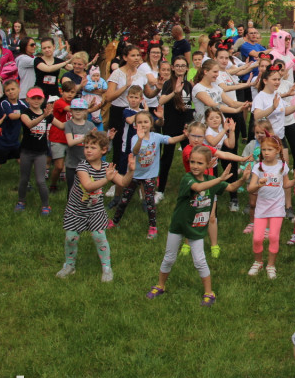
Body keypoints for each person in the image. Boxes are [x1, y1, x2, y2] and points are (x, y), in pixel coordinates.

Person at [145, 146, 242, 304]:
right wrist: (220, 179)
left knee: (200, 261)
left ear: (209, 164)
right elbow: (197, 188)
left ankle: (209, 293)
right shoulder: (187, 179)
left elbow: (231, 187)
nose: (195, 166)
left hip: (196, 228)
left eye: (199, 163)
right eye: (192, 162)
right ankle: (160, 285)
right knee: (169, 258)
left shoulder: (211, 181)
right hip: (179, 226)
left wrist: (244, 179)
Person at [56, 131, 132, 282]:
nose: (88, 150)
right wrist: (106, 179)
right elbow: (88, 186)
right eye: (86, 147)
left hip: (95, 210)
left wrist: (131, 170)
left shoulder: (106, 167)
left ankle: (107, 268)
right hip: (76, 209)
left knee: (99, 237)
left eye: (93, 147)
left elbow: (123, 182)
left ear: (103, 150)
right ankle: (69, 265)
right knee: (71, 238)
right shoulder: (82, 166)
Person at [108, 110, 183, 238]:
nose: (143, 124)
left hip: (150, 175)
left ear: (151, 123)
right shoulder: (135, 138)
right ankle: (115, 222)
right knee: (124, 200)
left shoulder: (156, 137)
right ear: (135, 125)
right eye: (140, 122)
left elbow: (170, 140)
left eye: (146, 122)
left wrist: (184, 136)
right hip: (134, 175)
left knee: (150, 201)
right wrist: (140, 139)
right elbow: (135, 151)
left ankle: (153, 227)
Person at [246, 135, 295, 280]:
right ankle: (258, 262)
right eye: (263, 150)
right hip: (261, 209)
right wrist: (258, 185)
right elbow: (251, 188)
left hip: (277, 208)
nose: (266, 152)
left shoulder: (282, 166)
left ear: (277, 150)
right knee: (257, 238)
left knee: (274, 236)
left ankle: (270, 265)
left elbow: (286, 184)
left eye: (269, 149)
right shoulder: (259, 167)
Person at [16, 88, 53, 213]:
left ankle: (45, 205)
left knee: (40, 180)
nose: (36, 101)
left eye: (39, 98)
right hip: (26, 151)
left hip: (41, 152)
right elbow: (30, 124)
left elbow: (62, 125)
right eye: (33, 98)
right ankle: (21, 201)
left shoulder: (47, 114)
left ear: (43, 99)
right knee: (24, 178)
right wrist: (43, 116)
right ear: (27, 99)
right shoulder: (25, 113)